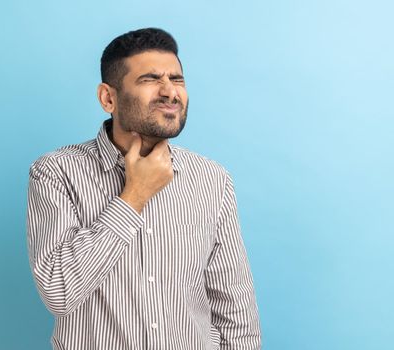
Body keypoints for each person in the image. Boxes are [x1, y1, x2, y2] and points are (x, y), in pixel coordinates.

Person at [26, 27, 261, 350]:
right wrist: (133, 196)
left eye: (177, 79)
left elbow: (235, 314)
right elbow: (59, 290)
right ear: (108, 98)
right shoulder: (56, 172)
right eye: (150, 80)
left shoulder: (212, 179)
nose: (169, 92)